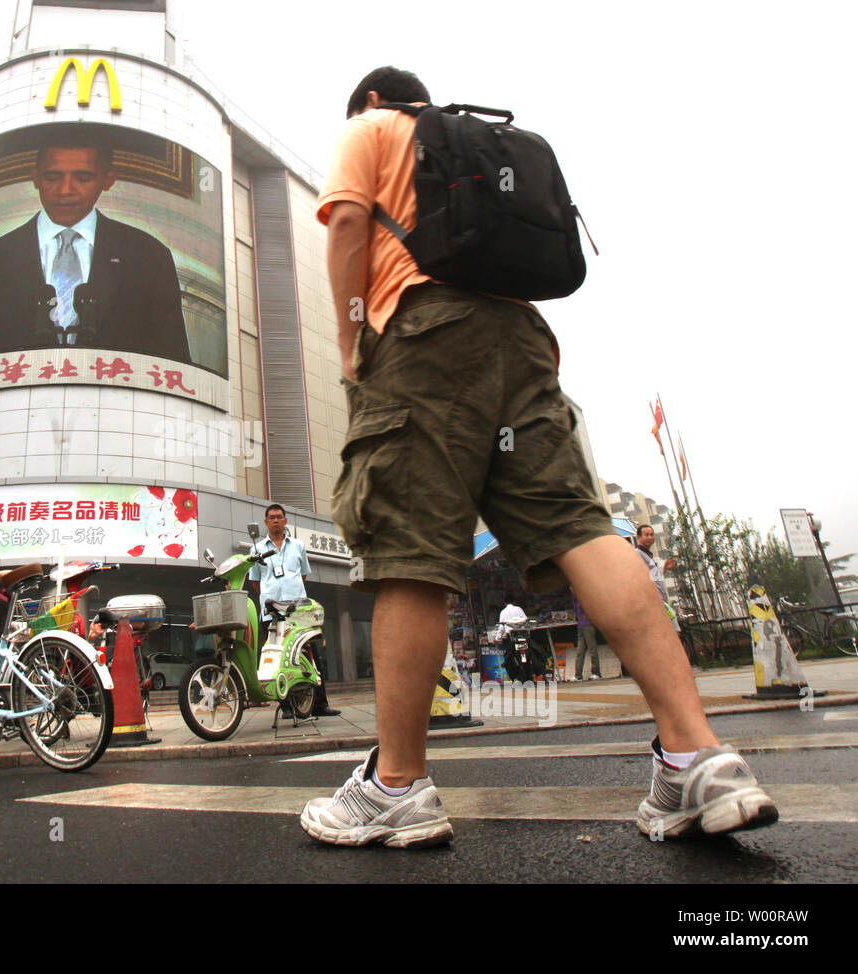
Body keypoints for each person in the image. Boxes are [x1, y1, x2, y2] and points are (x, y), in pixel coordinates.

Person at [301, 66, 777, 848]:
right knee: (580, 527)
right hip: (522, 346)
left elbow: (348, 224)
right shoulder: (476, 148)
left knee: (412, 552)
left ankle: (396, 787)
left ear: (375, 100)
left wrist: (354, 338)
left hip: (422, 338)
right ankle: (698, 755)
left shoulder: (372, 126)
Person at [0, 130, 191, 369]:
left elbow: (174, 360)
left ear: (108, 179)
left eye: (83, 178)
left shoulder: (148, 256)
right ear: (36, 178)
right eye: (53, 177)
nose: (65, 190)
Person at [247, 504, 340, 718]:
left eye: (279, 517)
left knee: (311, 655)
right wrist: (273, 596)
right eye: (272, 517)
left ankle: (320, 704)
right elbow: (255, 582)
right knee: (278, 657)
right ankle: (288, 707)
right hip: (271, 613)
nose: (276, 520)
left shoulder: (298, 546)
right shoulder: (257, 549)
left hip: (299, 613)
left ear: (285, 520)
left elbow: (303, 575)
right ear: (266, 522)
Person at [635, 525, 680, 632]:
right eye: (646, 535)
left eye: (651, 534)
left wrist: (664, 568)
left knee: (673, 631)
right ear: (638, 537)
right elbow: (640, 578)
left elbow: (653, 576)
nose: (650, 537)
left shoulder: (648, 555)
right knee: (674, 632)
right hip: (655, 602)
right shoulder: (638, 554)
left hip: (661, 602)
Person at [572, 595, 602, 680]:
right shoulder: (575, 598)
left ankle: (596, 672)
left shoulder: (583, 596)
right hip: (580, 626)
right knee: (580, 652)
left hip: (588, 625)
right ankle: (578, 675)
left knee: (592, 649)